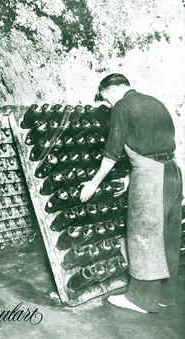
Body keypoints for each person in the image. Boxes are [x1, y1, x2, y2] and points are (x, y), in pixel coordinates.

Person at [80, 73, 183, 313]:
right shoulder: (154, 102)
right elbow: (153, 143)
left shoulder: (122, 106)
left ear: (111, 89)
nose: (107, 104)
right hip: (173, 173)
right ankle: (164, 296)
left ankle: (140, 300)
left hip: (151, 178)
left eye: (106, 99)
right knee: (168, 235)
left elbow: (112, 151)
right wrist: (129, 176)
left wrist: (93, 183)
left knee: (144, 235)